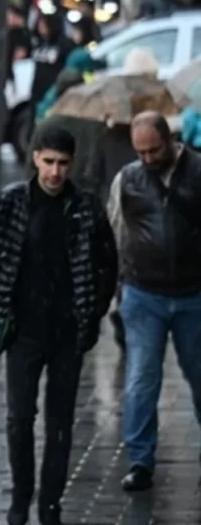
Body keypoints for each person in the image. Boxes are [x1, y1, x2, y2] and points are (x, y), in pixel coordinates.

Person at [0, 125, 118, 525]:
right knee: (19, 419)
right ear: (35, 157)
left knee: (61, 421)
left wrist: (93, 309)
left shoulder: (86, 207)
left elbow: (107, 263)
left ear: (72, 164)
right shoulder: (11, 205)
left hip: (67, 331)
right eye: (49, 161)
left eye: (63, 164)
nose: (55, 172)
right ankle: (21, 497)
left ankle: (50, 502)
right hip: (23, 331)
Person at [106, 111, 201, 492]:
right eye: (140, 152)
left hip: (193, 292)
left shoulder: (197, 170)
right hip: (143, 293)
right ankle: (140, 459)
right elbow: (114, 231)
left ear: (170, 140)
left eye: (153, 150)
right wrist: (115, 290)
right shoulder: (127, 179)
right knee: (141, 379)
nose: (146, 158)